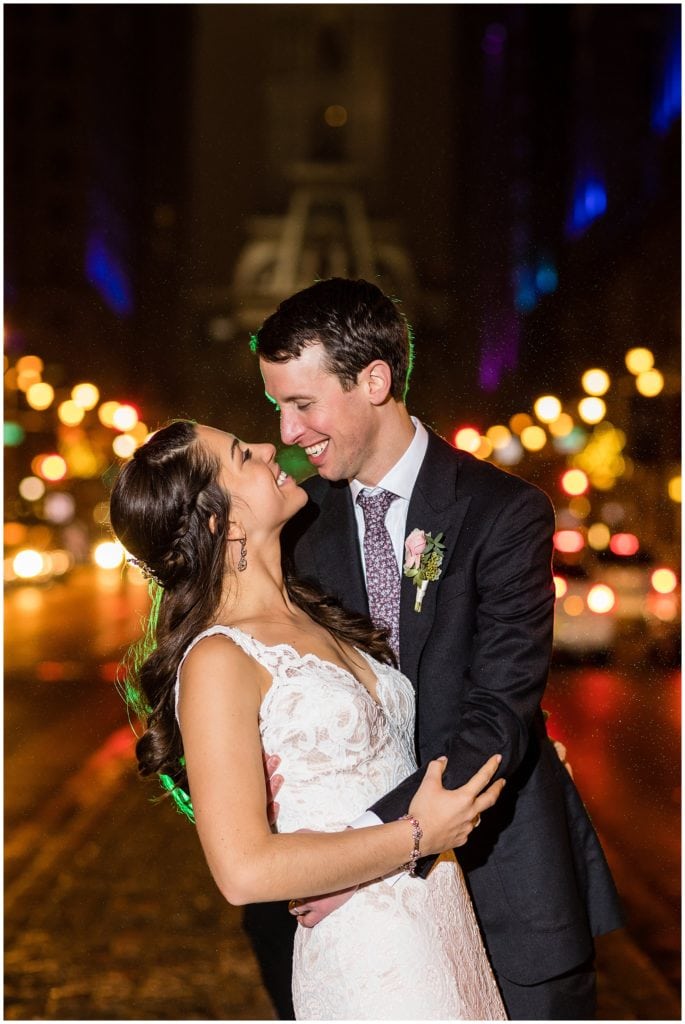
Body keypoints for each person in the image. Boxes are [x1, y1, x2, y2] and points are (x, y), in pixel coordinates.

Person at [250, 277, 624, 1021]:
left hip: (505, 882)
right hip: (358, 923)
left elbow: (498, 713)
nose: (289, 433)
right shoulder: (296, 534)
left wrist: (368, 847)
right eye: (278, 409)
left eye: (302, 404)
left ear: (375, 380)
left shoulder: (504, 513)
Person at [109, 418, 508, 1021]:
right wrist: (418, 835)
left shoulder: (315, 614)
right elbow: (243, 871)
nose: (270, 447)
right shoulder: (219, 658)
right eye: (244, 454)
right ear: (224, 520)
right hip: (368, 955)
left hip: (440, 924)